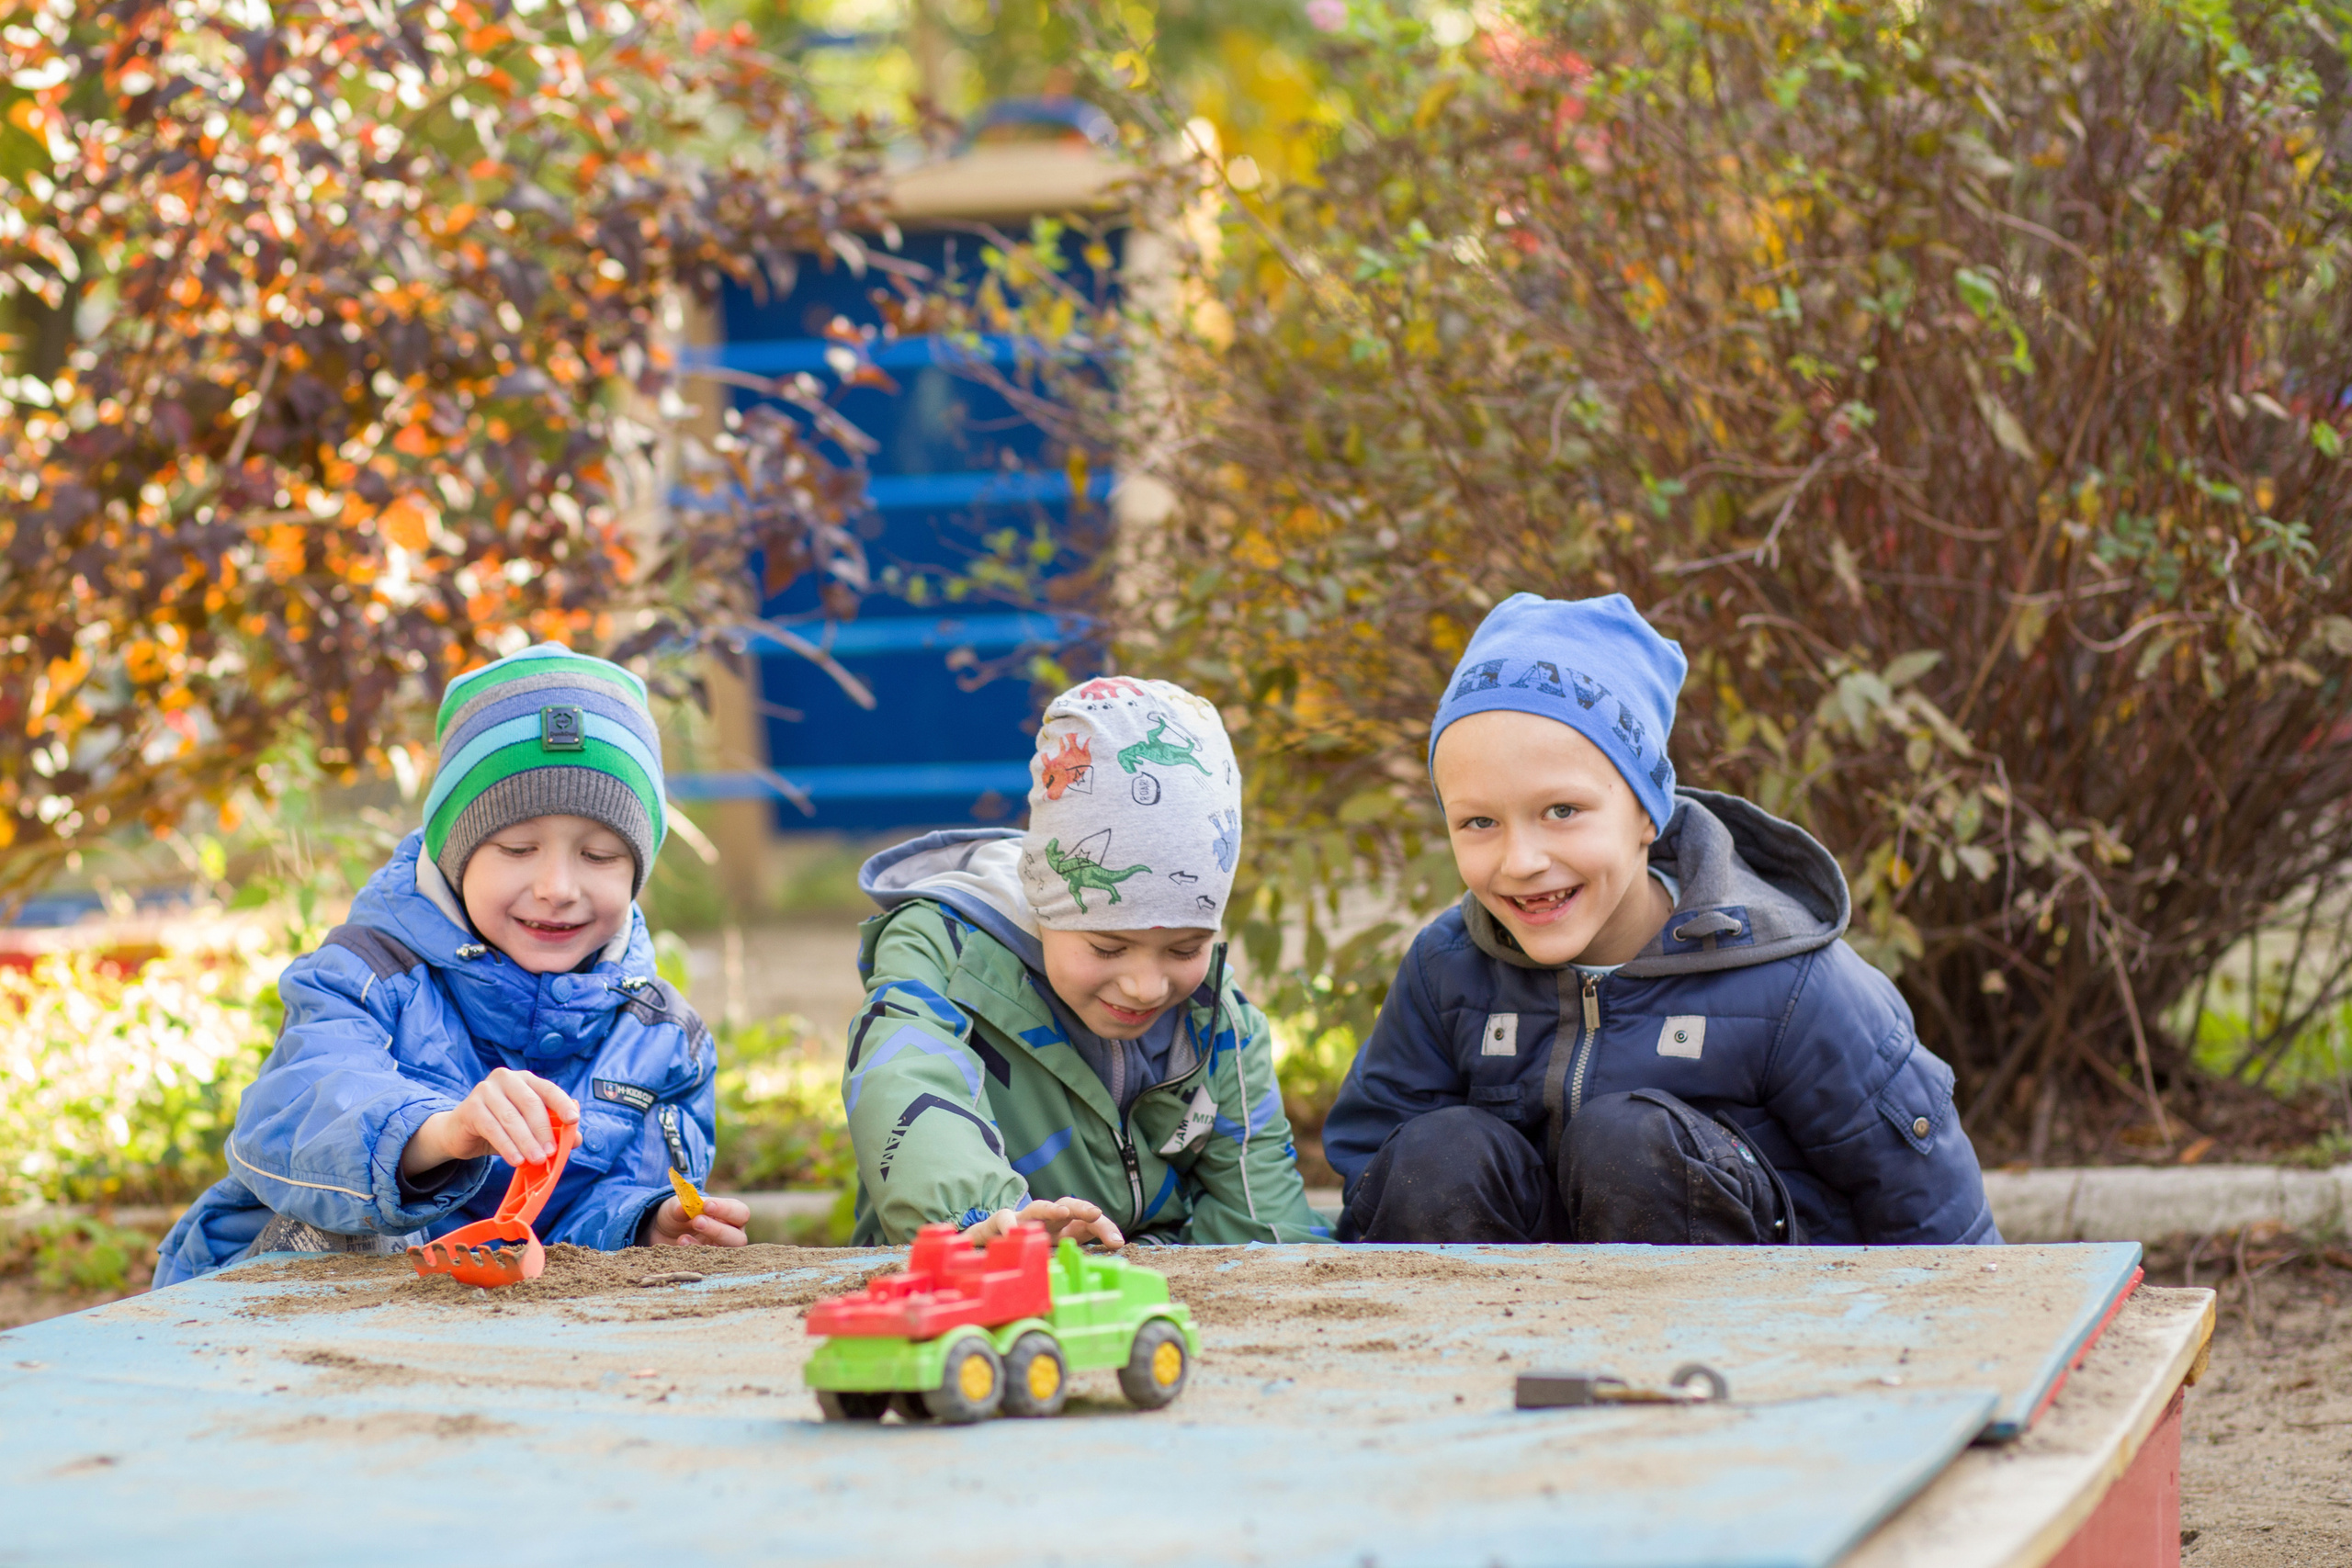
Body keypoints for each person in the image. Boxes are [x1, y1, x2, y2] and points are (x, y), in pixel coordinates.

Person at [1321, 593, 1999, 1247]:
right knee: (1437, 1151)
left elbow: (1924, 1195)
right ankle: (1469, 1358)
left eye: (1562, 811)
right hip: (1510, 1315)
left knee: (1628, 1141)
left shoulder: (1784, 978)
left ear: (1648, 812)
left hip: (1749, 1322)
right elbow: (1376, 1163)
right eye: (1479, 822)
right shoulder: (1449, 969)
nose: (1521, 860)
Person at [155, 644, 747, 1286]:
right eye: (518, 847)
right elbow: (296, 1113)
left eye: (600, 855)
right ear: (456, 853)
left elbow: (584, 1226)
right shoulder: (364, 975)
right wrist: (438, 1133)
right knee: (358, 1230)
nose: (557, 885)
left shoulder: (662, 1041)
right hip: (284, 1320)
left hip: (486, 1338)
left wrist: (647, 1223)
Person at [844, 675, 1326, 1248]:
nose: (1146, 986)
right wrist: (980, 1222)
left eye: (1185, 948)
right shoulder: (944, 953)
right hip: (966, 1272)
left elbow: (1262, 1218)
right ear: (1047, 899)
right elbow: (904, 1081)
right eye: (1107, 947)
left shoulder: (1215, 1020)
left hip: (1140, 1279)